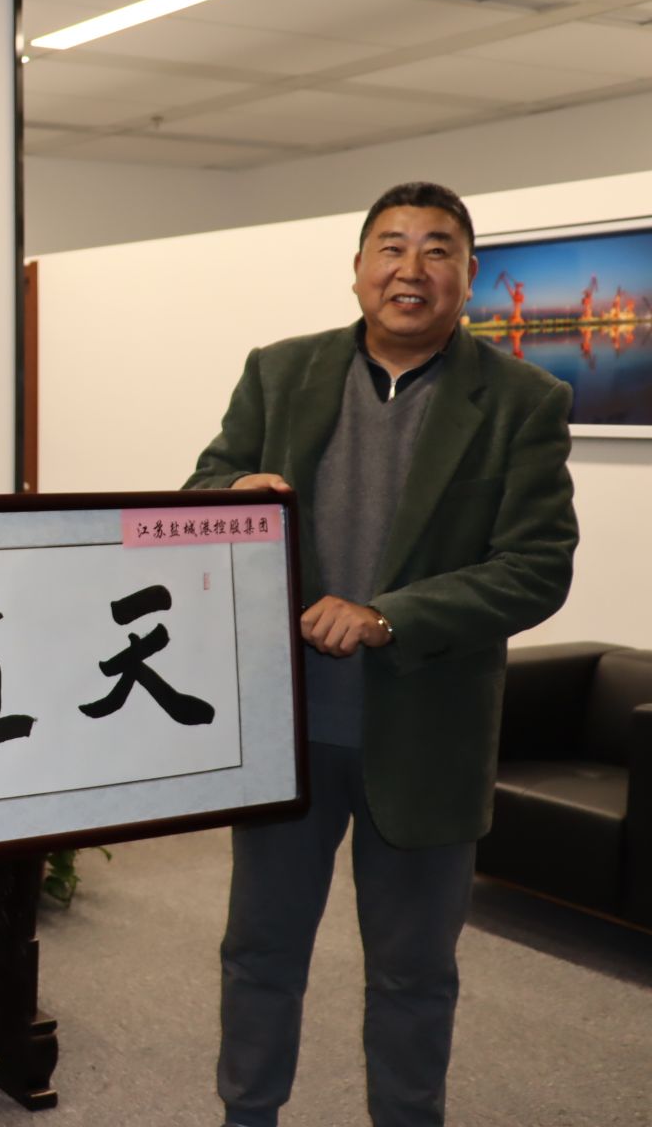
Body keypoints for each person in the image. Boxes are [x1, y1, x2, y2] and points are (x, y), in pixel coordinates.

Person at [186, 181, 577, 1127]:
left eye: (439, 250)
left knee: (413, 973)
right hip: (290, 730)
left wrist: (388, 616)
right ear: (358, 268)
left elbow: (536, 569)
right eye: (392, 247)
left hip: (428, 735)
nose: (412, 269)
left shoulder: (522, 400)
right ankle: (247, 1115)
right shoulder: (280, 372)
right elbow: (200, 489)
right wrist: (234, 493)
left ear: (470, 277)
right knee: (261, 952)